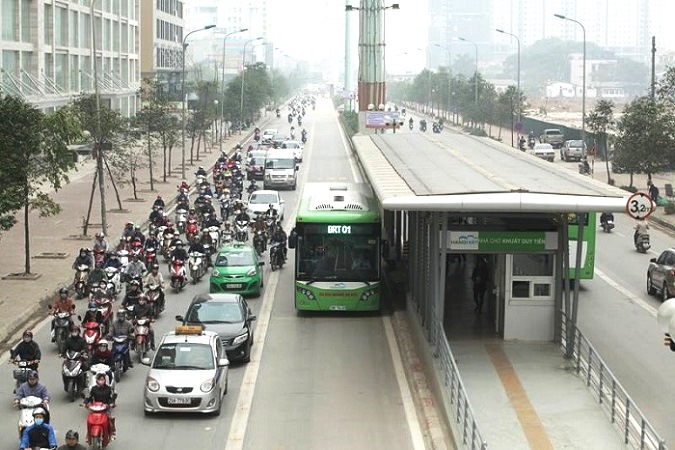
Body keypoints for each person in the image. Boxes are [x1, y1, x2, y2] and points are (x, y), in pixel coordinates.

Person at [84, 373, 116, 439]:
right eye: (99, 379)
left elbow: (113, 397)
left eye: (102, 379)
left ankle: (111, 433)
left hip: (105, 408)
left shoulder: (109, 389)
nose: (101, 381)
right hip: (95, 408)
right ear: (96, 380)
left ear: (105, 380)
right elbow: (89, 397)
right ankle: (88, 434)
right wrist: (86, 403)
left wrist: (110, 404)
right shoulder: (93, 389)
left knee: (109, 419)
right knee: (90, 420)